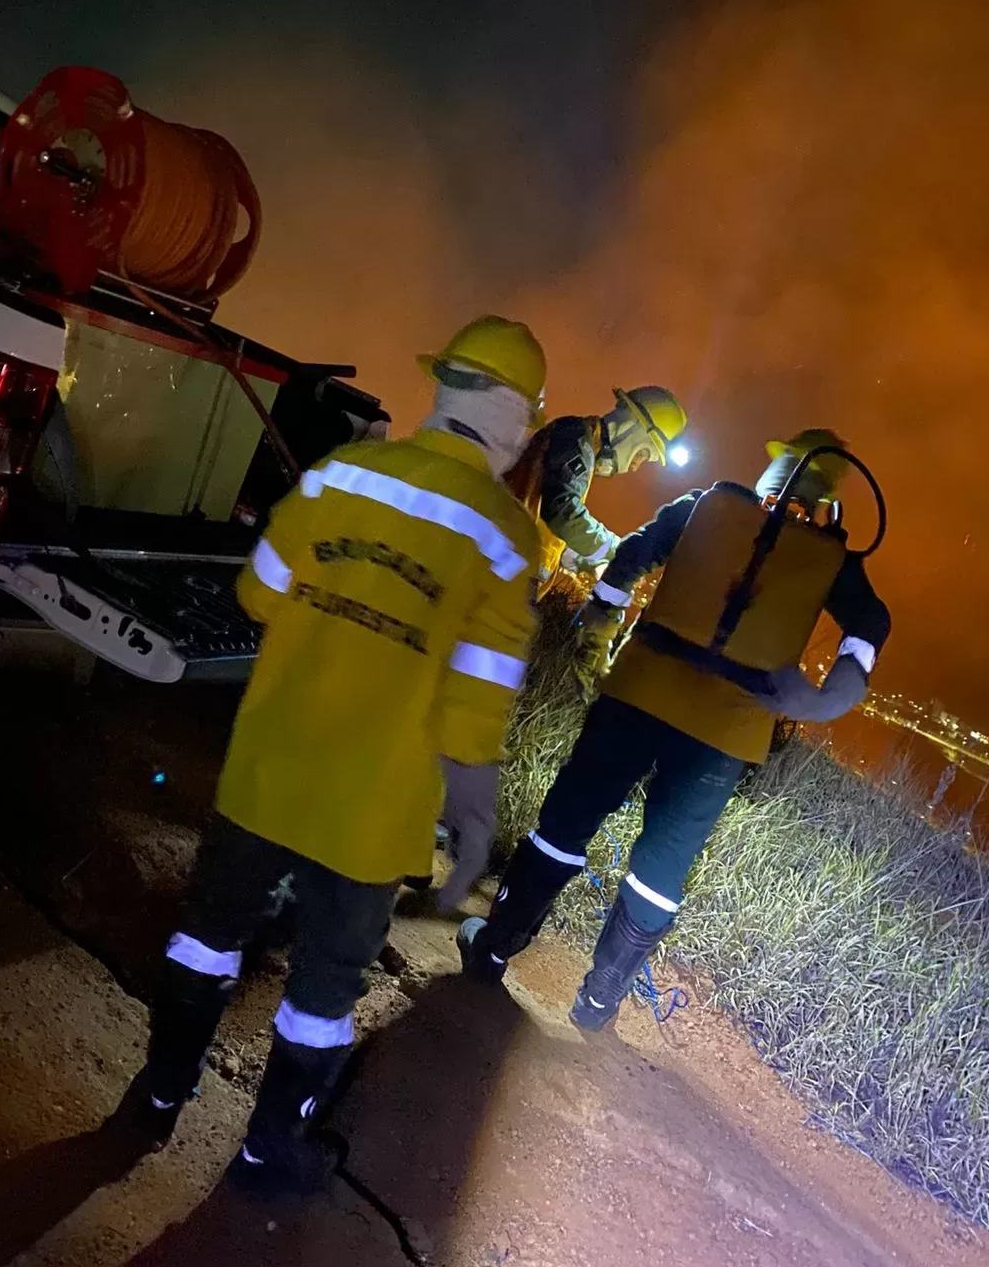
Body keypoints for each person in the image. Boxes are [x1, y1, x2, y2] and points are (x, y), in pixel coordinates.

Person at [132, 316, 545, 1193]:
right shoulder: (506, 539)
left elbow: (257, 593)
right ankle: (266, 1152)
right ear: (513, 417)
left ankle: (157, 1096)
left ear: (445, 389)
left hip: (268, 774)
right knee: (325, 987)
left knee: (208, 937)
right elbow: (474, 717)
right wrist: (473, 826)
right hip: (370, 815)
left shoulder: (343, 472)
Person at [458, 428, 891, 1032]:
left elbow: (634, 553)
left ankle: (495, 947)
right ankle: (599, 1002)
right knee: (663, 866)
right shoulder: (832, 560)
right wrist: (826, 699)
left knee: (566, 821)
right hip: (724, 733)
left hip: (639, 693)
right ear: (825, 498)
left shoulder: (706, 504)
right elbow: (871, 623)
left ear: (776, 469)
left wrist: (601, 620)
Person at [505, 386, 688, 686]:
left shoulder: (580, 445)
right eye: (643, 454)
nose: (635, 466)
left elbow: (546, 523)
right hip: (506, 573)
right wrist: (618, 550)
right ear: (630, 428)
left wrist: (581, 560)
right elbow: (562, 511)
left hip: (510, 571)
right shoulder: (575, 436)